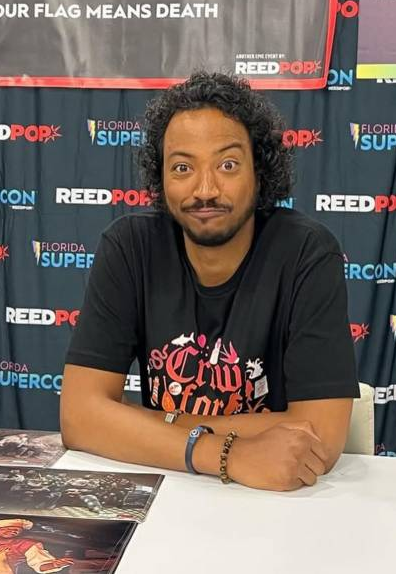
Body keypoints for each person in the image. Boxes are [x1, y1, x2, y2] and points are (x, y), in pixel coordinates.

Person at [61, 71, 360, 492]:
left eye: (227, 165)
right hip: (171, 483)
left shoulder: (306, 254)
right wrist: (228, 454)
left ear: (260, 172)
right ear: (160, 179)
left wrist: (154, 423)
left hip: (275, 496)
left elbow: (321, 436)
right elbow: (79, 416)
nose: (205, 189)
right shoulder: (130, 246)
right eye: (182, 167)